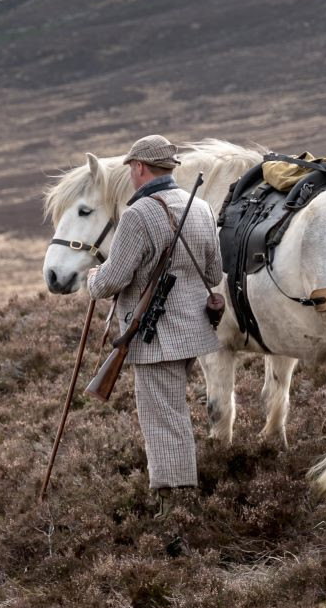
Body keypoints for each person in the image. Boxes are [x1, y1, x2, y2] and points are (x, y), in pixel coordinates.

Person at [85, 135, 223, 492]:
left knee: (162, 421)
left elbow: (109, 283)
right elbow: (212, 274)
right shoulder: (202, 208)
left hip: (152, 334)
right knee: (173, 414)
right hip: (190, 332)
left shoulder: (138, 214)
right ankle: (181, 493)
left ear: (139, 167)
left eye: (132, 167)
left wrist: (93, 278)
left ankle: (174, 503)